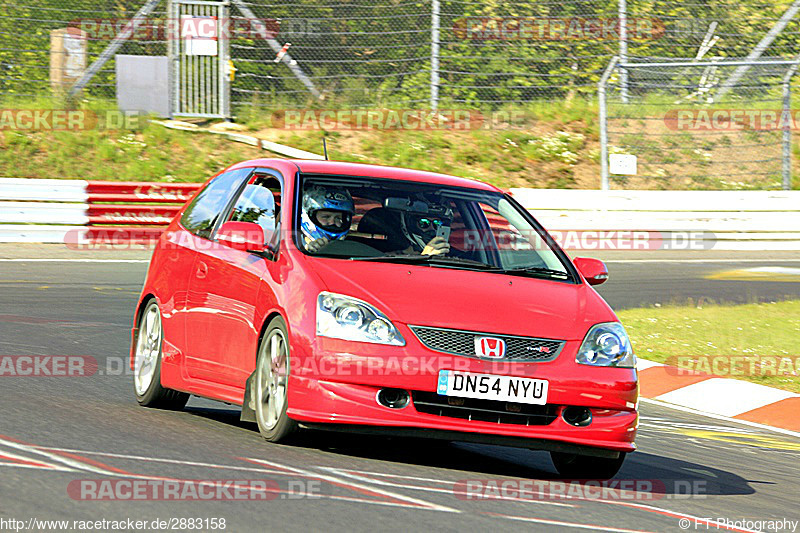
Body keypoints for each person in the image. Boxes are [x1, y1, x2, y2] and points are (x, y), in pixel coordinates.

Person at [300, 186, 355, 253]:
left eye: (338, 218)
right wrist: (309, 251)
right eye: (326, 217)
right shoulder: (292, 245)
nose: (332, 222)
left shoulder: (352, 248)